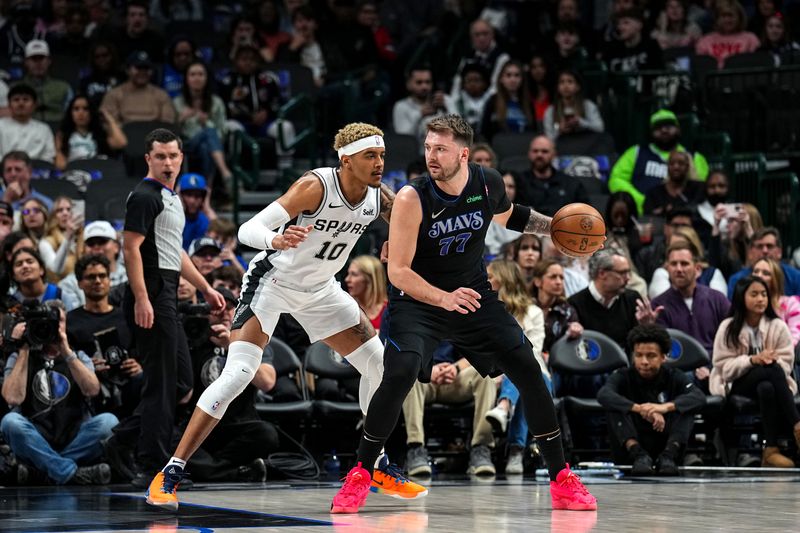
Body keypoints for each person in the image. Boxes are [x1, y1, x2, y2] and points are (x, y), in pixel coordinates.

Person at [145, 123, 427, 511]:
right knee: (238, 375)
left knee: (381, 365)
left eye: (381, 156)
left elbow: (409, 219)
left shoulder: (378, 197)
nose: (379, 164)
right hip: (273, 283)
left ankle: (374, 462)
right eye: (370, 156)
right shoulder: (316, 186)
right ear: (346, 160)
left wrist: (398, 242)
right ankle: (170, 473)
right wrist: (274, 239)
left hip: (322, 289)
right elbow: (248, 228)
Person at [331, 114, 597, 513]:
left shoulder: (487, 182)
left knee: (529, 368)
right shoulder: (411, 197)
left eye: (440, 149)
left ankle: (561, 478)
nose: (431, 156)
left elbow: (513, 217)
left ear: (464, 153)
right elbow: (398, 271)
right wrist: (442, 298)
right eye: (427, 148)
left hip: (472, 296)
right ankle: (361, 473)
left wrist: (557, 231)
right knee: (400, 372)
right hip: (418, 300)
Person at [119, 128, 225, 485]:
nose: (167, 162)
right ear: (148, 159)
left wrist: (206, 287)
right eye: (160, 156)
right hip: (151, 288)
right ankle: (152, 464)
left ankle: (121, 440)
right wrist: (142, 298)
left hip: (165, 289)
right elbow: (131, 248)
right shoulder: (145, 196)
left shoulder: (171, 197)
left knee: (181, 382)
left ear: (181, 158)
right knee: (162, 383)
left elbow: (175, 250)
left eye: (173, 156)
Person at [1, 300, 117, 486]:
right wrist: (24, 350)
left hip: (73, 436)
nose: (50, 326)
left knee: (109, 423)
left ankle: (43, 472)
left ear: (65, 324)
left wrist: (65, 350)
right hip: (36, 438)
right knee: (10, 422)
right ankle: (71, 473)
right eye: (43, 321)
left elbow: (92, 390)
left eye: (57, 321)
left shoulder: (78, 356)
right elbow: (13, 398)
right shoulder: (19, 356)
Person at [182, 287, 278, 482]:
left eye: (230, 308)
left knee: (267, 434)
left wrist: (231, 347)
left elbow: (267, 382)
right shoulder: (192, 340)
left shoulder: (251, 341)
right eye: (217, 309)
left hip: (237, 426)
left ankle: (209, 469)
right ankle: (238, 472)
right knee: (168, 439)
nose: (224, 313)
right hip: (201, 425)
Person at [710, 276, 800, 467]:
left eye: (764, 294)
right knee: (771, 369)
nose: (760, 299)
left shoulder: (778, 326)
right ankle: (797, 426)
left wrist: (769, 360)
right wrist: (752, 360)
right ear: (741, 297)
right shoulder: (728, 327)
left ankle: (771, 449)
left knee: (767, 385)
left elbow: (787, 364)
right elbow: (722, 367)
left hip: (772, 383)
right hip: (735, 383)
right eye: (754, 294)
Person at [598, 324, 706, 475]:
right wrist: (640, 409)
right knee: (614, 406)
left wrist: (664, 407)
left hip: (666, 444)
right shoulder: (624, 376)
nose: (644, 362)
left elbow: (699, 397)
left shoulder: (674, 375)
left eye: (651, 356)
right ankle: (638, 454)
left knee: (686, 408)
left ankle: (669, 455)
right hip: (631, 449)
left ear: (663, 357)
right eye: (638, 355)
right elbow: (604, 394)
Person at [482, 259, 547, 475]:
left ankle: (503, 408)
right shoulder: (483, 312)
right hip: (494, 373)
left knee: (523, 370)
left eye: (490, 277)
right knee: (520, 377)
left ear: (505, 280)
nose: (485, 281)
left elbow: (533, 351)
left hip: (537, 372)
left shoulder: (533, 313)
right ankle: (516, 450)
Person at [67, 254, 141, 420]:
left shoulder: (127, 316)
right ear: (79, 283)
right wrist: (86, 367)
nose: (98, 281)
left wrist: (138, 365)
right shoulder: (70, 321)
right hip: (89, 394)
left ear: (109, 280)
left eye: (102, 276)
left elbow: (142, 352)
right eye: (91, 277)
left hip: (131, 387)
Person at [609, 109, 709, 215]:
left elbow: (703, 189)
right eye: (658, 127)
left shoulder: (694, 157)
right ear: (651, 132)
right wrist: (644, 202)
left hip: (685, 217)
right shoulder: (635, 152)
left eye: (669, 126)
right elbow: (616, 179)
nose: (664, 130)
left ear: (678, 129)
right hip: (643, 216)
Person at [651, 242, 731, 358]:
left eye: (684, 264)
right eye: (673, 264)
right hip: (679, 369)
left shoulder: (717, 299)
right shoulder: (658, 305)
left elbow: (731, 339)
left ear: (697, 269)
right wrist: (648, 326)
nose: (678, 269)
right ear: (667, 268)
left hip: (716, 365)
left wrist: (711, 367)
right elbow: (664, 352)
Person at [569, 249, 657, 348]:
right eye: (622, 273)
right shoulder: (575, 303)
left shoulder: (632, 298)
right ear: (602, 274)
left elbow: (640, 344)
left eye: (628, 272)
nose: (628, 278)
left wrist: (646, 326)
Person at [172, 61, 233, 189]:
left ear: (206, 78)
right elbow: (170, 134)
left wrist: (206, 122)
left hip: (211, 146)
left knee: (206, 144)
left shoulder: (216, 102)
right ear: (186, 79)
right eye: (192, 74)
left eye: (201, 74)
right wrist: (181, 119)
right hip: (186, 143)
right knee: (209, 132)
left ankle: (206, 188)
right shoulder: (177, 102)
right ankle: (224, 172)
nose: (197, 78)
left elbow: (222, 132)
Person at [58, 220, 128, 311]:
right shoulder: (69, 284)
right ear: (83, 249)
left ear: (116, 247)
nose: (96, 247)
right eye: (91, 243)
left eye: (102, 242)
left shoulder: (130, 278)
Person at [648, 225, 727, 298]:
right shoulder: (661, 273)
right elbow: (663, 306)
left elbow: (719, 306)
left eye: (682, 246)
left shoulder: (712, 273)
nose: (677, 251)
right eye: (673, 247)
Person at [100, 51, 176, 125]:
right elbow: (109, 124)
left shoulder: (162, 95)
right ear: (127, 70)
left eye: (146, 68)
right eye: (138, 68)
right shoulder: (114, 95)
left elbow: (167, 124)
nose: (143, 72)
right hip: (123, 136)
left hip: (154, 136)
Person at [54, 94, 127, 171]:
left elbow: (121, 143)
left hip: (98, 174)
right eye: (76, 109)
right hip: (75, 174)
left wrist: (109, 119)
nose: (80, 113)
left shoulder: (100, 133)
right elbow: (60, 165)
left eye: (85, 109)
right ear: (70, 113)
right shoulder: (63, 135)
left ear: (91, 112)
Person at [523, 135, 589, 217]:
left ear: (554, 154)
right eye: (535, 151)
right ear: (529, 154)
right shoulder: (519, 182)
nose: (539, 155)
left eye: (545, 151)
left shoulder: (571, 184)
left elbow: (586, 214)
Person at [727, 227, 800, 298]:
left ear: (779, 252)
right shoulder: (737, 280)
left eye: (769, 246)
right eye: (759, 246)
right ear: (750, 253)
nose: (765, 251)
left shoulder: (796, 277)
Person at [16, 39, 73, 123]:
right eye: (34, 59)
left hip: (58, 128)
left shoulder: (63, 87)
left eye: (41, 58)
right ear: (26, 62)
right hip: (26, 129)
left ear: (49, 61)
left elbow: (72, 114)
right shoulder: (16, 88)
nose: (38, 63)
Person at [392, 67, 454, 143]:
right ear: (408, 84)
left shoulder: (445, 100)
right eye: (419, 82)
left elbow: (461, 131)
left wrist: (445, 109)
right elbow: (403, 139)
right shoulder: (401, 107)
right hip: (417, 153)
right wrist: (420, 115)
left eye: (428, 82)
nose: (424, 86)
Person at [480, 60, 536, 142]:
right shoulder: (492, 102)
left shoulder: (528, 103)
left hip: (524, 148)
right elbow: (484, 132)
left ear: (522, 79)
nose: (513, 79)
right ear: (501, 79)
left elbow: (533, 132)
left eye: (517, 75)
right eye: (508, 75)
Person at [0, 84, 56, 163]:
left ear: (34, 105)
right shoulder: (1, 126)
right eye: (16, 100)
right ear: (9, 105)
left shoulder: (44, 129)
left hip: (36, 172)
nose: (21, 103)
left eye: (26, 99)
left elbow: (49, 155)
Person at [752, 257, 800, 348]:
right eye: (756, 271)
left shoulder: (792, 304)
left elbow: (794, 339)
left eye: (766, 273)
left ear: (775, 280)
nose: (758, 276)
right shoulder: (745, 305)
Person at [695, 0, 760, 67]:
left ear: (739, 17)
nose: (727, 20)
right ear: (717, 19)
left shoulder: (751, 39)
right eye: (723, 16)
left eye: (730, 16)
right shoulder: (704, 41)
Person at [543, 70, 604, 140]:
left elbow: (600, 128)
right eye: (562, 82)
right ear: (558, 88)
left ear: (578, 87)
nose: (565, 86)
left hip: (585, 146)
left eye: (570, 81)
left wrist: (581, 122)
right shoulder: (551, 110)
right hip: (561, 147)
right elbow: (548, 139)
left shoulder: (588, 105)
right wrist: (559, 130)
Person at [601, 8, 664, 72]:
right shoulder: (611, 49)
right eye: (618, 23)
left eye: (626, 23)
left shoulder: (651, 47)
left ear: (639, 25)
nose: (620, 27)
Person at [643, 151, 705, 216]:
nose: (676, 167)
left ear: (687, 167)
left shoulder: (699, 188)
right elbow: (648, 216)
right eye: (672, 163)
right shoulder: (653, 193)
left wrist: (666, 210)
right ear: (667, 166)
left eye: (681, 164)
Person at [39, 196, 84, 282]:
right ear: (53, 216)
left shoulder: (84, 236)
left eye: (68, 209)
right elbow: (56, 269)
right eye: (60, 210)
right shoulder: (46, 242)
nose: (65, 213)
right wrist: (68, 237)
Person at [345, 255, 388, 332]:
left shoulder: (390, 310)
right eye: (348, 274)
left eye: (354, 274)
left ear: (370, 279)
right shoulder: (346, 310)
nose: (347, 279)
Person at [178, 173, 214, 251]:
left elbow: (222, 232)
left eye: (197, 196)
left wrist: (207, 208)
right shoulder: (172, 217)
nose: (192, 201)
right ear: (180, 195)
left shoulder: (203, 220)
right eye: (188, 195)